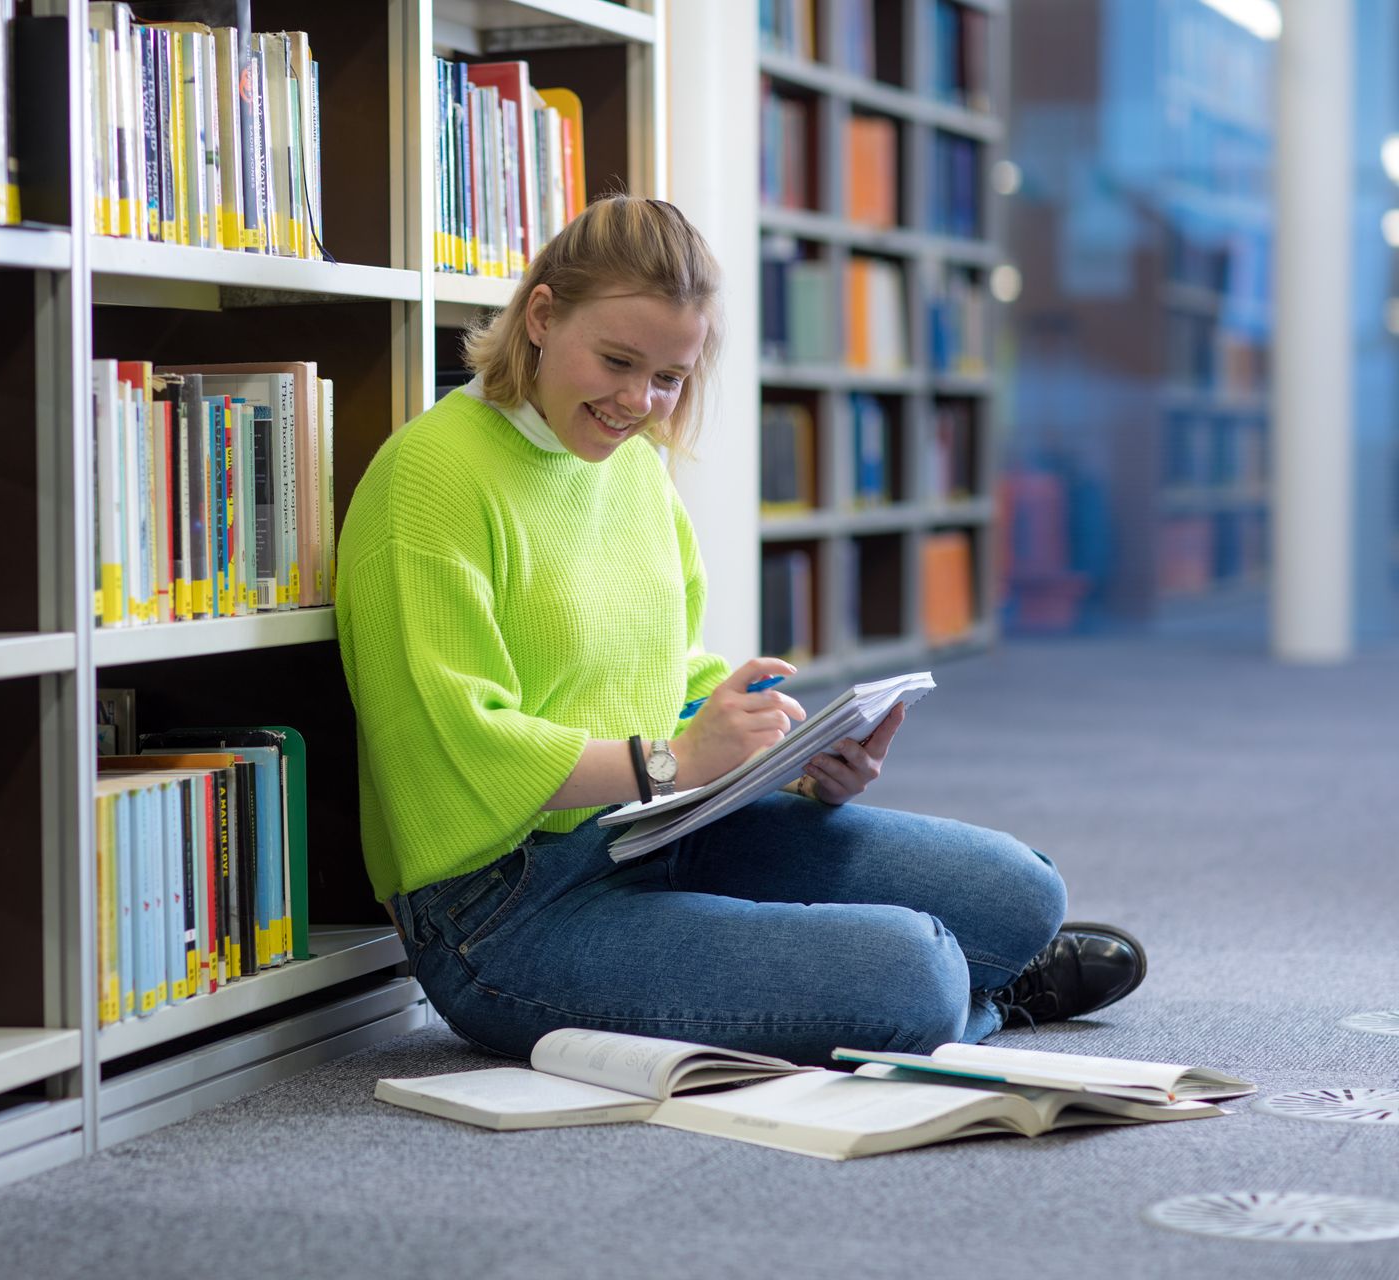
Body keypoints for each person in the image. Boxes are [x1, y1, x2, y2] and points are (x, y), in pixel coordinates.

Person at [333, 195, 1144, 1064]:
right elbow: (455, 741)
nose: (638, 402)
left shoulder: (634, 470)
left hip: (658, 828)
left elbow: (672, 676)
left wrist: (784, 759)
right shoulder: (428, 476)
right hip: (500, 910)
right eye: (617, 361)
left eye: (670, 378)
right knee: (912, 976)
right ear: (540, 317)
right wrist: (671, 762)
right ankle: (976, 1003)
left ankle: (949, 991)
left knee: (1023, 893)